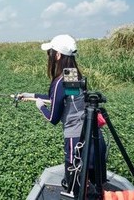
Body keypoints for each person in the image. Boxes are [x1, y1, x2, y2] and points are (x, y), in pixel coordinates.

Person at [18, 34, 106, 196]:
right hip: (93, 137)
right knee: (95, 187)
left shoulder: (59, 81)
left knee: (75, 188)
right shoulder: (73, 75)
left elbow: (53, 118)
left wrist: (40, 107)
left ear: (57, 55)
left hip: (76, 142)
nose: (49, 57)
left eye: (50, 53)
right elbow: (65, 99)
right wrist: (32, 95)